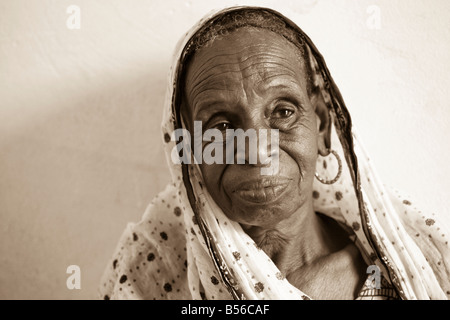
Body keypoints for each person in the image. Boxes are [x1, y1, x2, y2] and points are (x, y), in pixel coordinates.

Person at [99, 6, 450, 300]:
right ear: (189, 150)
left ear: (323, 128)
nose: (256, 151)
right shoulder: (150, 274)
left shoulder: (424, 260)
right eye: (221, 126)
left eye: (283, 112)